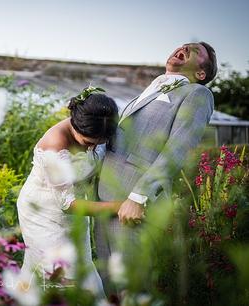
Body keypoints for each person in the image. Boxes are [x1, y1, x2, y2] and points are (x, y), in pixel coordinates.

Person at [95, 42, 218, 288]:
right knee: (107, 283)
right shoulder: (151, 89)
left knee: (130, 286)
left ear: (201, 74)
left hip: (133, 204)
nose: (184, 47)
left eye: (194, 50)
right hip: (106, 200)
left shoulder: (197, 94)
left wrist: (139, 197)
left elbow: (178, 149)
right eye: (185, 44)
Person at [16, 88, 121, 295]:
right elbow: (68, 204)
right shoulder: (55, 145)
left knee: (81, 265)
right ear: (75, 124)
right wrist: (120, 206)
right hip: (43, 212)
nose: (92, 148)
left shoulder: (100, 126)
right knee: (59, 272)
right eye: (88, 143)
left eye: (98, 144)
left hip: (77, 211)